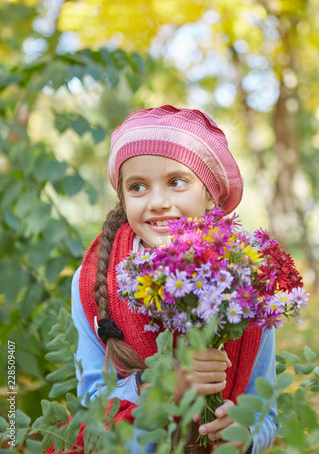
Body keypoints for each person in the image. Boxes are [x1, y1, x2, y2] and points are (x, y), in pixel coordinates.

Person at [48, 105, 278, 453]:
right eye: (138, 187)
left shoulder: (245, 281)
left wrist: (247, 433)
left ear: (209, 194)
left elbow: (266, 412)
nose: (157, 202)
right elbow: (91, 411)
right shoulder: (94, 280)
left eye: (176, 182)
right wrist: (157, 387)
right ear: (123, 198)